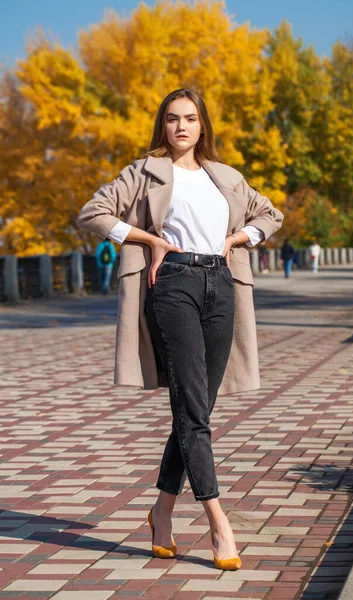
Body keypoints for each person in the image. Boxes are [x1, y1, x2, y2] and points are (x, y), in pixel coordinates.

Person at [77, 89, 283, 570]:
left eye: (190, 119)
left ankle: (161, 512)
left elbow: (269, 216)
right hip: (172, 285)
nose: (182, 127)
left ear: (202, 125)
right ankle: (218, 522)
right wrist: (148, 239)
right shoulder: (144, 172)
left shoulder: (226, 177)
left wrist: (238, 237)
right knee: (194, 413)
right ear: (163, 126)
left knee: (195, 410)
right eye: (172, 119)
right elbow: (93, 212)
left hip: (221, 284)